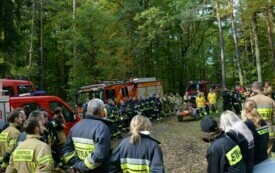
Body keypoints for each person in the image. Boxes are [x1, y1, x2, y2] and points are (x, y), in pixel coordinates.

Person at [63, 98, 111, 173]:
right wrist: (82, 166)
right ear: (101, 111)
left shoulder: (75, 127)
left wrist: (77, 165)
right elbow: (99, 156)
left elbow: (67, 153)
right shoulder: (102, 128)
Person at [247, 81, 275, 156]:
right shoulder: (271, 100)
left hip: (255, 132)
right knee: (268, 154)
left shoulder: (249, 101)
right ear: (262, 88)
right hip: (269, 132)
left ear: (254, 89)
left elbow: (245, 118)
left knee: (257, 155)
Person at [242, 100, 269, 165]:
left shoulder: (247, 125)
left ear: (245, 111)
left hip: (253, 161)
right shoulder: (263, 122)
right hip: (264, 157)